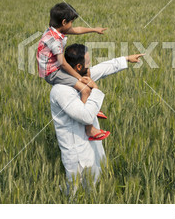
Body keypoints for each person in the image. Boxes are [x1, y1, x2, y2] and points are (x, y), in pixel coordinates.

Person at [49, 43, 143, 195]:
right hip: (76, 151)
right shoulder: (61, 90)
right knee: (76, 192)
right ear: (78, 66)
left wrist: (126, 59)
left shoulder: (80, 77)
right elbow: (85, 116)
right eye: (88, 61)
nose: (91, 64)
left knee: (96, 188)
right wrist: (96, 91)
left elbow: (103, 68)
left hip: (91, 145)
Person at [37, 2, 109, 140]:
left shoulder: (55, 30)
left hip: (55, 68)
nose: (72, 25)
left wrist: (94, 29)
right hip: (52, 73)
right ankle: (89, 128)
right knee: (85, 89)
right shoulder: (54, 41)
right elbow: (63, 63)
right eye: (71, 22)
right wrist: (78, 77)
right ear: (64, 22)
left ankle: (91, 109)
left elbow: (77, 30)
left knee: (86, 74)